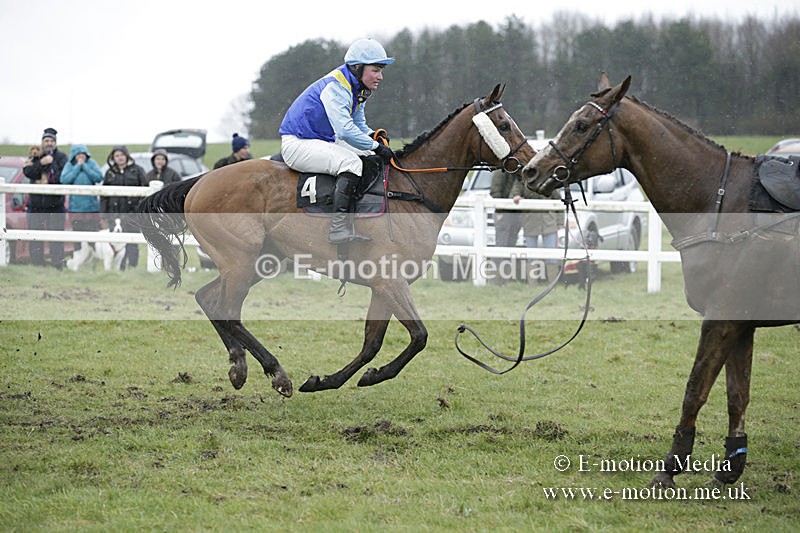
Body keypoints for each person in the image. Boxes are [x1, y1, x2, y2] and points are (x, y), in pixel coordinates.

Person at [279, 38, 396, 244]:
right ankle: (338, 229)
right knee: (351, 162)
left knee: (369, 155)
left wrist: (373, 138)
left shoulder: (357, 87)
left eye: (381, 70)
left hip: (321, 140)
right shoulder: (337, 87)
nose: (380, 76)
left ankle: (361, 214)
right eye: (376, 70)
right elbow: (345, 130)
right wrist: (375, 146)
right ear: (358, 68)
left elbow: (358, 124)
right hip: (297, 144)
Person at [22, 127, 68, 268]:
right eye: (46, 140)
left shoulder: (61, 157)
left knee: (56, 236)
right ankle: (37, 264)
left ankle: (57, 264)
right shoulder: (35, 156)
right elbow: (28, 172)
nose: (48, 143)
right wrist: (41, 164)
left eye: (51, 141)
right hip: (36, 204)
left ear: (55, 143)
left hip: (55, 204)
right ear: (43, 142)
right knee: (35, 236)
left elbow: (63, 176)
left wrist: (51, 165)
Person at [101, 146, 147, 269]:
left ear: (126, 156)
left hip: (132, 214)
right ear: (113, 158)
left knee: (132, 242)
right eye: (116, 155)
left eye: (122, 155)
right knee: (117, 242)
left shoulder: (137, 171)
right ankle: (119, 268)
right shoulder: (109, 173)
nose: (120, 158)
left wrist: (138, 209)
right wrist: (104, 215)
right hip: (114, 215)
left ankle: (132, 267)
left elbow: (146, 191)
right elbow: (104, 195)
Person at [511, 179, 561, 287]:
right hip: (530, 222)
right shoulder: (524, 176)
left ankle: (552, 285)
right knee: (531, 255)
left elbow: (559, 200)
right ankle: (532, 285)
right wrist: (516, 196)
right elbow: (515, 190)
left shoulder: (549, 177)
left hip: (549, 222)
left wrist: (560, 221)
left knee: (551, 255)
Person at [60, 144, 103, 266]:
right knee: (78, 240)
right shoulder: (70, 165)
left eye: (83, 154)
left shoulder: (91, 163)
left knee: (92, 239)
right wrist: (77, 167)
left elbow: (99, 177)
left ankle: (92, 264)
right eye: (78, 155)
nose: (80, 157)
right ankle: (77, 264)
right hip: (76, 209)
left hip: (91, 208)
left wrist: (84, 166)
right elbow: (64, 180)